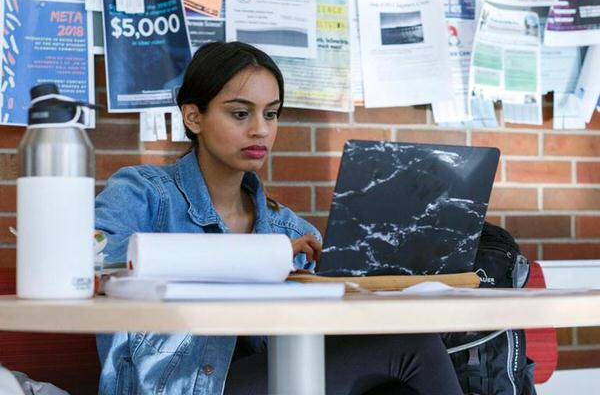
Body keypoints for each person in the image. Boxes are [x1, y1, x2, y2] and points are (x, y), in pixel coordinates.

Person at [94, 41, 463, 395]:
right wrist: (262, 260)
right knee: (413, 346)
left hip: (273, 379)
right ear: (193, 117)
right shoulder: (144, 193)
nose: (261, 129)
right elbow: (92, 258)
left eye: (271, 113)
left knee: (392, 388)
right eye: (241, 113)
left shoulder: (292, 231)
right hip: (169, 386)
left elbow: (318, 338)